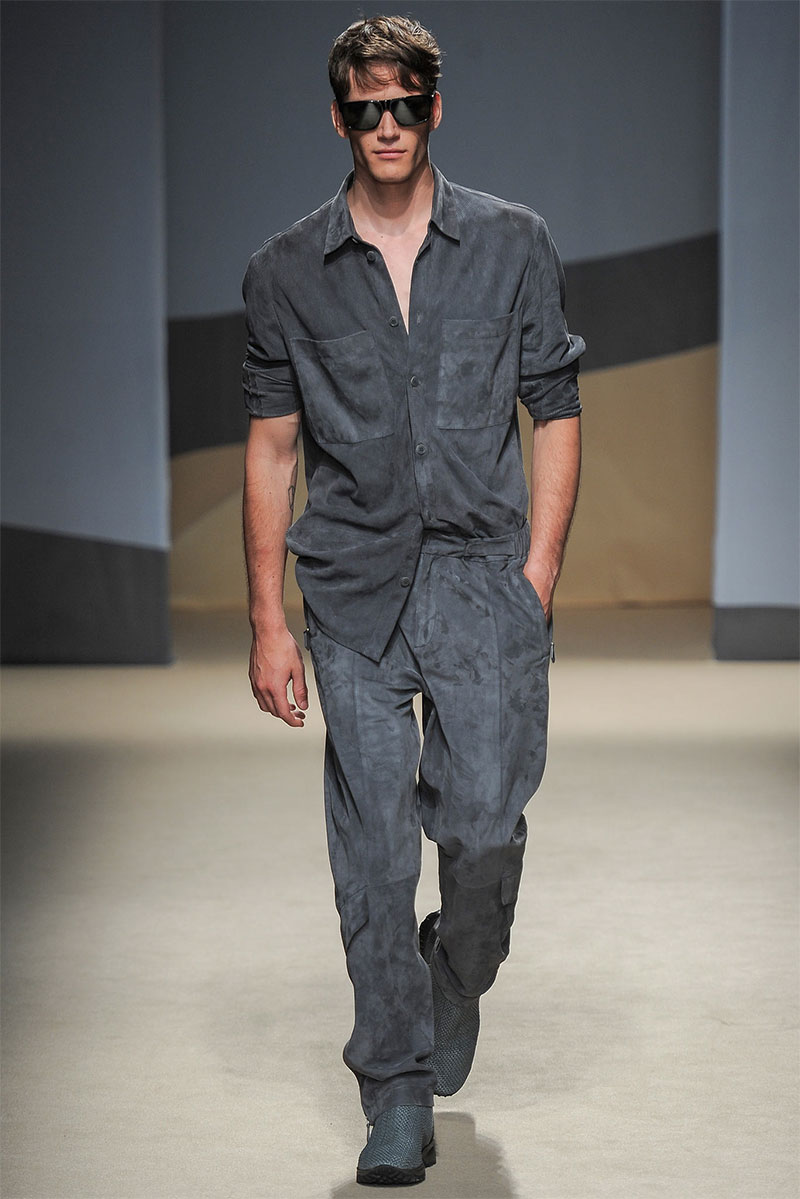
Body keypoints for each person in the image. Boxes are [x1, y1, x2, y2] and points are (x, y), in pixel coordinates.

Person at [242, 14, 584, 1187]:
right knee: (375, 856)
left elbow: (555, 407)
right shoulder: (286, 271)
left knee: (482, 827)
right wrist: (267, 619)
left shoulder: (512, 243)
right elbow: (271, 449)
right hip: (349, 589)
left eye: (401, 105)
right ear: (338, 118)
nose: (383, 125)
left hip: (484, 579)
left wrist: (536, 572)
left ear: (433, 109)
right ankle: (392, 1089)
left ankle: (458, 966)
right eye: (362, 108)